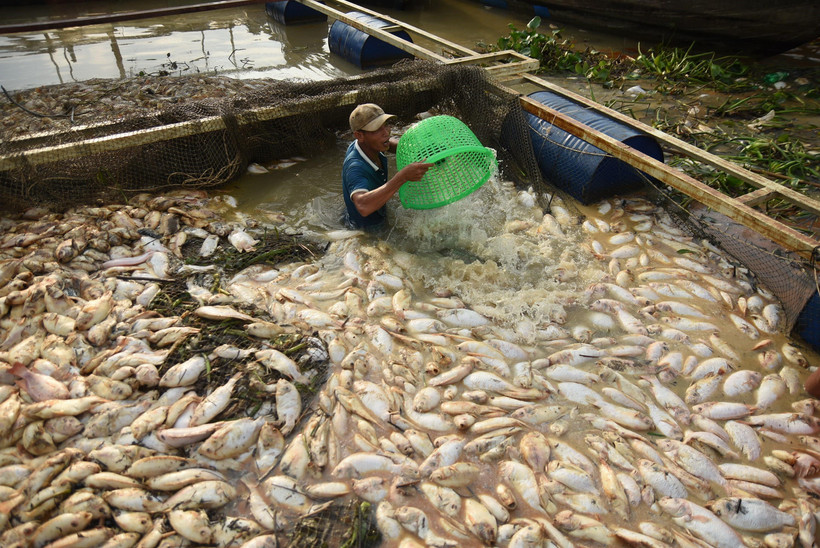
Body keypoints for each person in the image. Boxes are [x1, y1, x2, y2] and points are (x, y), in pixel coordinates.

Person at [342, 103, 432, 230]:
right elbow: (363, 206)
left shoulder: (370, 145)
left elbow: (391, 144)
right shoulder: (355, 167)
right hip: (366, 230)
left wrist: (422, 150)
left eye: (386, 125)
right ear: (359, 135)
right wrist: (402, 177)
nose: (386, 133)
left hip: (378, 211)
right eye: (377, 129)